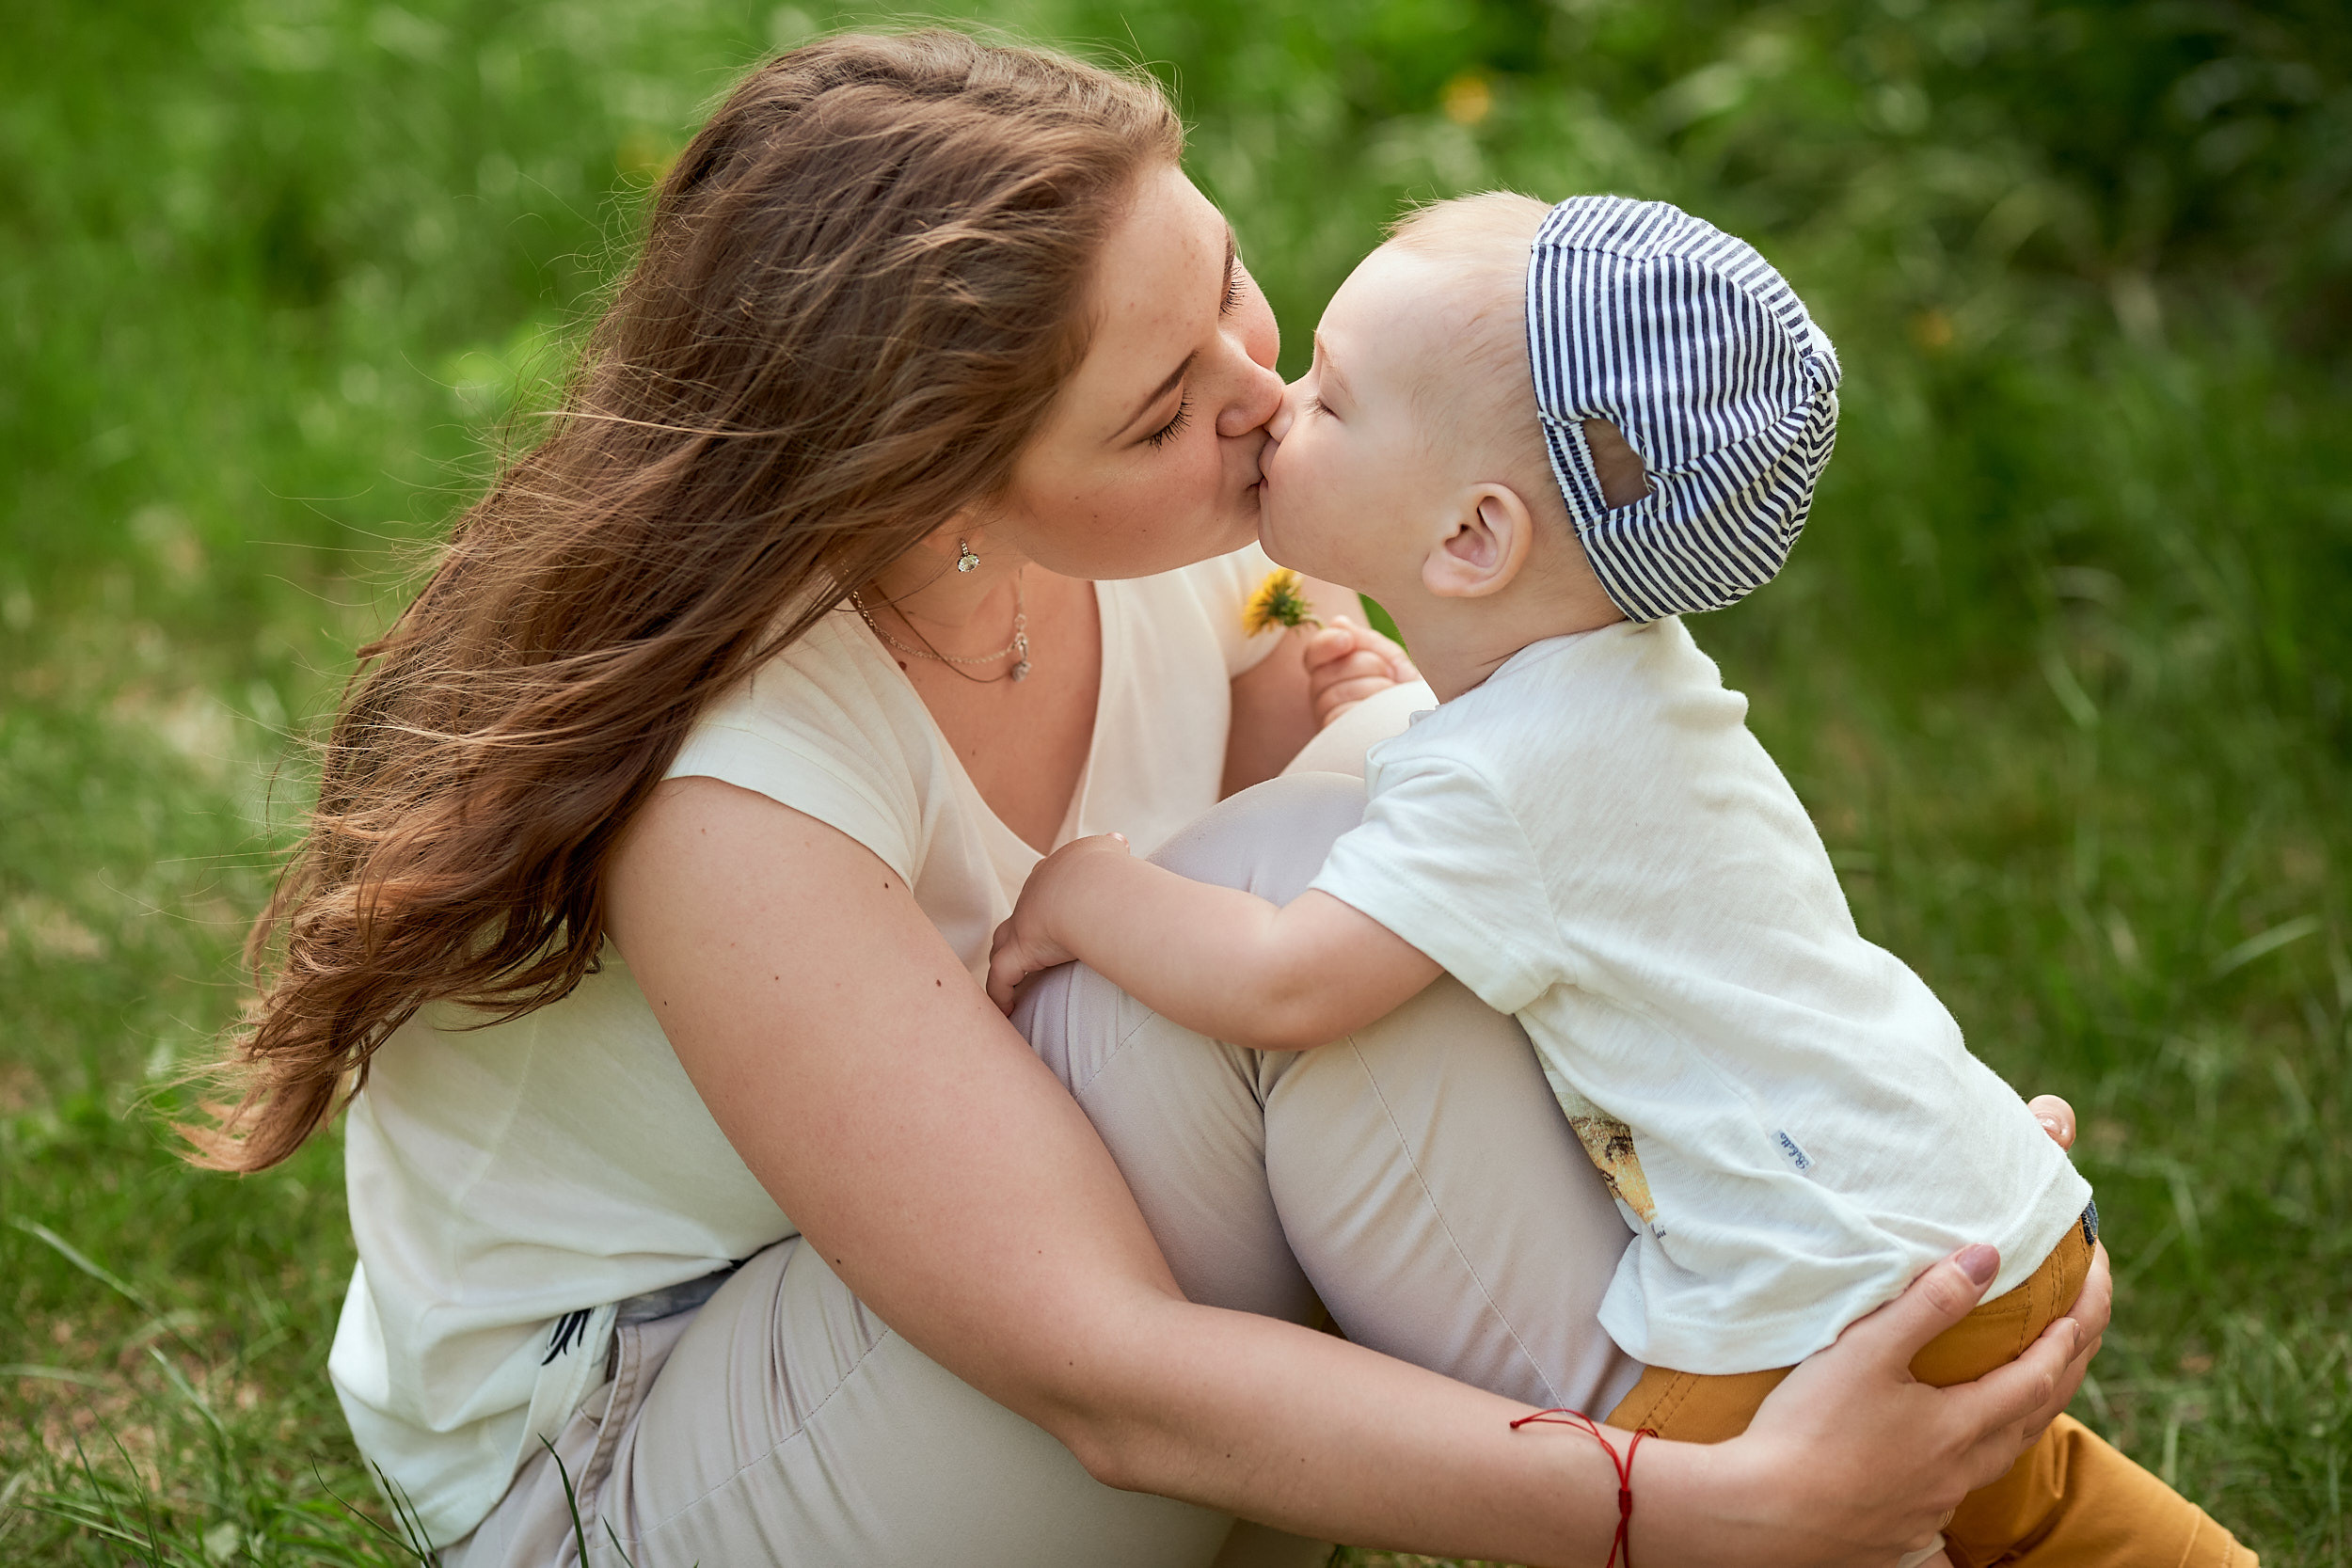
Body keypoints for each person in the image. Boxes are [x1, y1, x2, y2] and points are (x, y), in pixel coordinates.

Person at [189, 32, 2110, 1568]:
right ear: (929, 486)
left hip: (1034, 1324)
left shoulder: (1218, 519)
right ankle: (1774, 1477)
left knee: (1368, 878)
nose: (1260, 400)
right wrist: (1694, 1518)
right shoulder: (742, 785)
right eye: (1161, 406)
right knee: (1295, 897)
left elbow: (1488, 878)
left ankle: (1839, 1347)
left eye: (1229, 290)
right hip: (651, 1454)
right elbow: (1101, 1374)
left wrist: (1833, 1142)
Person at [987, 192, 2246, 1567]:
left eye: (1332, 400)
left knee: (1712, 1510)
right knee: (2031, 1498)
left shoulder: (1497, 784)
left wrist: (1087, 895)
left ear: (1472, 542)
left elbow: (1290, 984)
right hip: (1983, 1213)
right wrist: (1402, 711)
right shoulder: (1621, 682)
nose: (1280, 407)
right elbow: (1541, 816)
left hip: (1818, 1294)